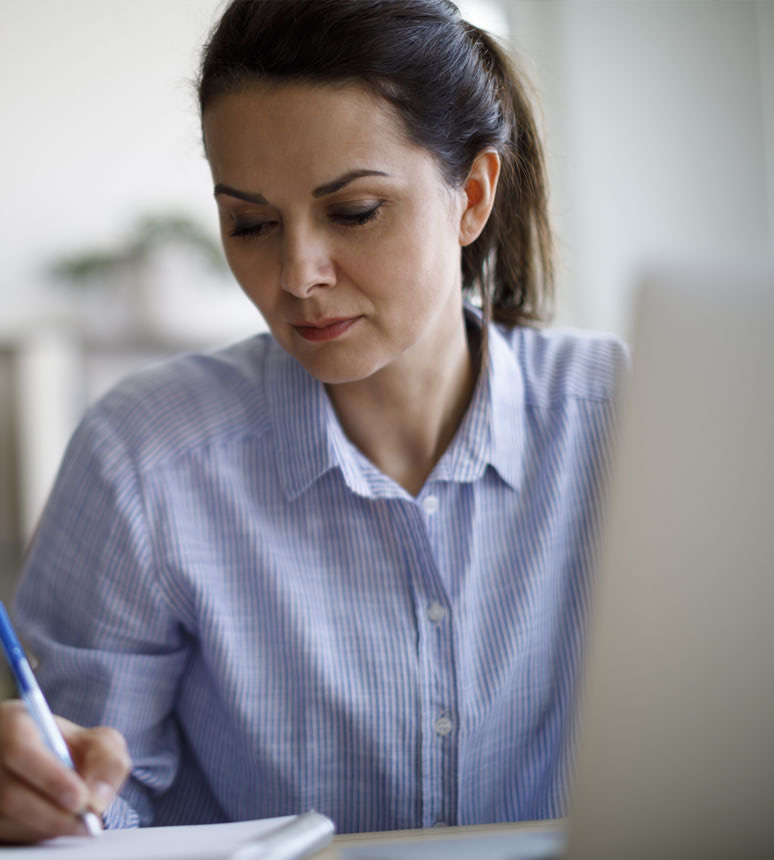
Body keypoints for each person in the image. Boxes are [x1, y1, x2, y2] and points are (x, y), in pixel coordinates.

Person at [0, 0, 625, 843]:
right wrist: (45, 801)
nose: (297, 275)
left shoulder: (632, 423)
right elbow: (97, 814)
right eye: (250, 224)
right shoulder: (142, 458)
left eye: (354, 211)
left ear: (472, 197)